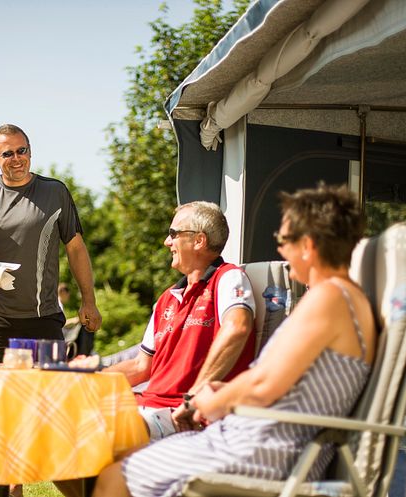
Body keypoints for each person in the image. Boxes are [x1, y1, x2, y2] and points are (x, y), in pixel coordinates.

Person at [92, 183, 377, 497]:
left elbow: (262, 386)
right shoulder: (346, 300)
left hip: (261, 447)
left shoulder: (329, 299)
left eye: (284, 240)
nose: (281, 251)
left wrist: (208, 399)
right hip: (263, 437)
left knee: (114, 477)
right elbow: (280, 381)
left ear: (307, 244)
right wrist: (221, 388)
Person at [103, 200, 257, 441]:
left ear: (199, 240)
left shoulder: (228, 278)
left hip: (181, 415)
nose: (167, 242)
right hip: (147, 407)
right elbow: (141, 367)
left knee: (95, 431)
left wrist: (194, 396)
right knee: (59, 421)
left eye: (173, 234)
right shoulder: (167, 298)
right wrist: (86, 379)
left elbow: (237, 328)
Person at [0, 124, 101, 362]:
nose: (17, 158)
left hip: (44, 318)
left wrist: (88, 301)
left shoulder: (55, 192)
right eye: (7, 153)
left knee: (47, 394)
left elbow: (76, 248)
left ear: (30, 151)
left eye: (22, 150)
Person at [59, 282, 92, 356]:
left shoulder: (59, 304)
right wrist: (76, 320)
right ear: (63, 292)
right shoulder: (58, 304)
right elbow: (60, 324)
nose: (68, 297)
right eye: (68, 295)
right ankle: (83, 354)